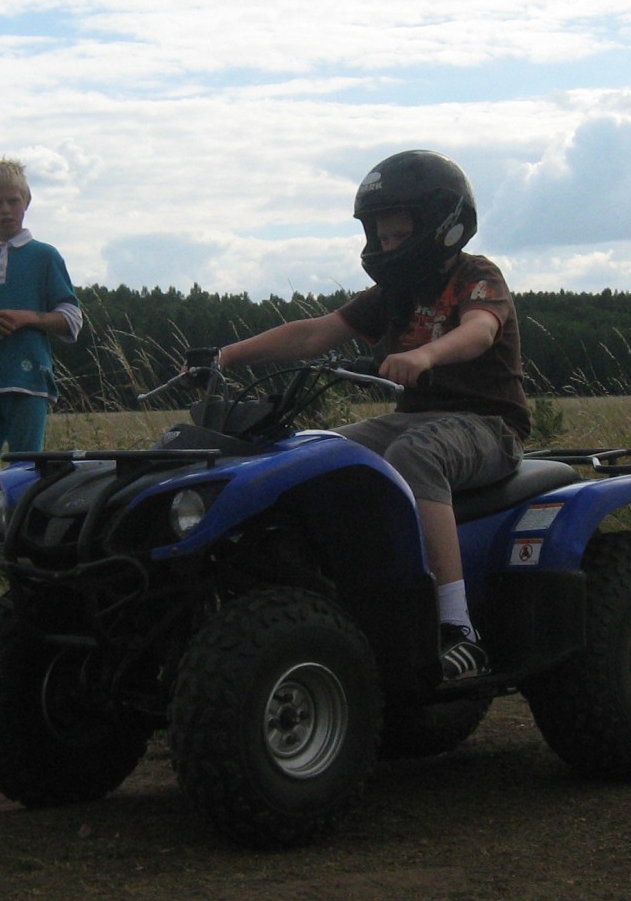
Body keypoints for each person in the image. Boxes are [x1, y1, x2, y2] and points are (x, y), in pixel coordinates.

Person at [217, 150, 528, 681]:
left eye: (399, 235)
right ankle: (332, 598)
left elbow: (479, 331)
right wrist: (225, 356)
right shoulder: (394, 292)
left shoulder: (476, 275)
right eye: (381, 237)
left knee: (414, 456)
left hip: (488, 425)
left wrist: (426, 354)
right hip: (416, 421)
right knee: (318, 456)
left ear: (441, 227)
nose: (387, 246)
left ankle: (457, 627)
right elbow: (315, 333)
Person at [0, 158, 83, 588]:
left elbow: (72, 320)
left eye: (12, 201)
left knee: (25, 480)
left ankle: (23, 568)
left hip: (29, 382)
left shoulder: (45, 257)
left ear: (27, 201)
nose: (5, 210)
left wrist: (29, 318)